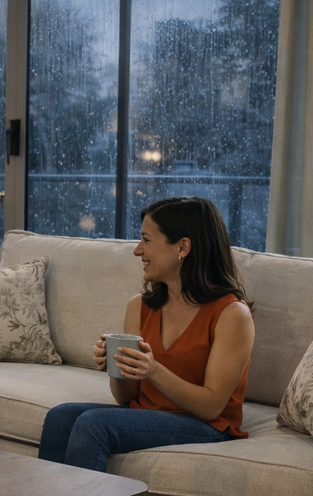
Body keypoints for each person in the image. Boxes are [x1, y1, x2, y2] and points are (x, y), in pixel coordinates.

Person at [37, 196, 255, 472]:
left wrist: (153, 370)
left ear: (183, 247)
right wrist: (115, 366)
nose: (138, 251)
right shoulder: (139, 306)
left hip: (208, 425)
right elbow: (126, 398)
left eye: (147, 240)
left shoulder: (232, 314)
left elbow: (211, 406)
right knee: (60, 417)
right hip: (148, 413)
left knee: (94, 423)